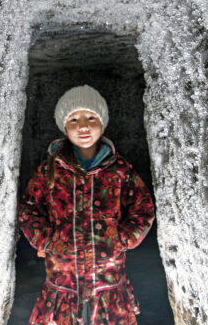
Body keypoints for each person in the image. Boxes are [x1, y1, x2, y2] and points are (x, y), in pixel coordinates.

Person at [18, 85, 155, 325]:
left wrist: (123, 238)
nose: (83, 126)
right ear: (64, 126)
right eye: (74, 119)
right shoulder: (50, 170)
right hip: (62, 285)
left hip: (108, 284)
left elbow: (142, 207)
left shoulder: (120, 170)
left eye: (91, 117)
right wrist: (46, 240)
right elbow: (29, 208)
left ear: (102, 123)